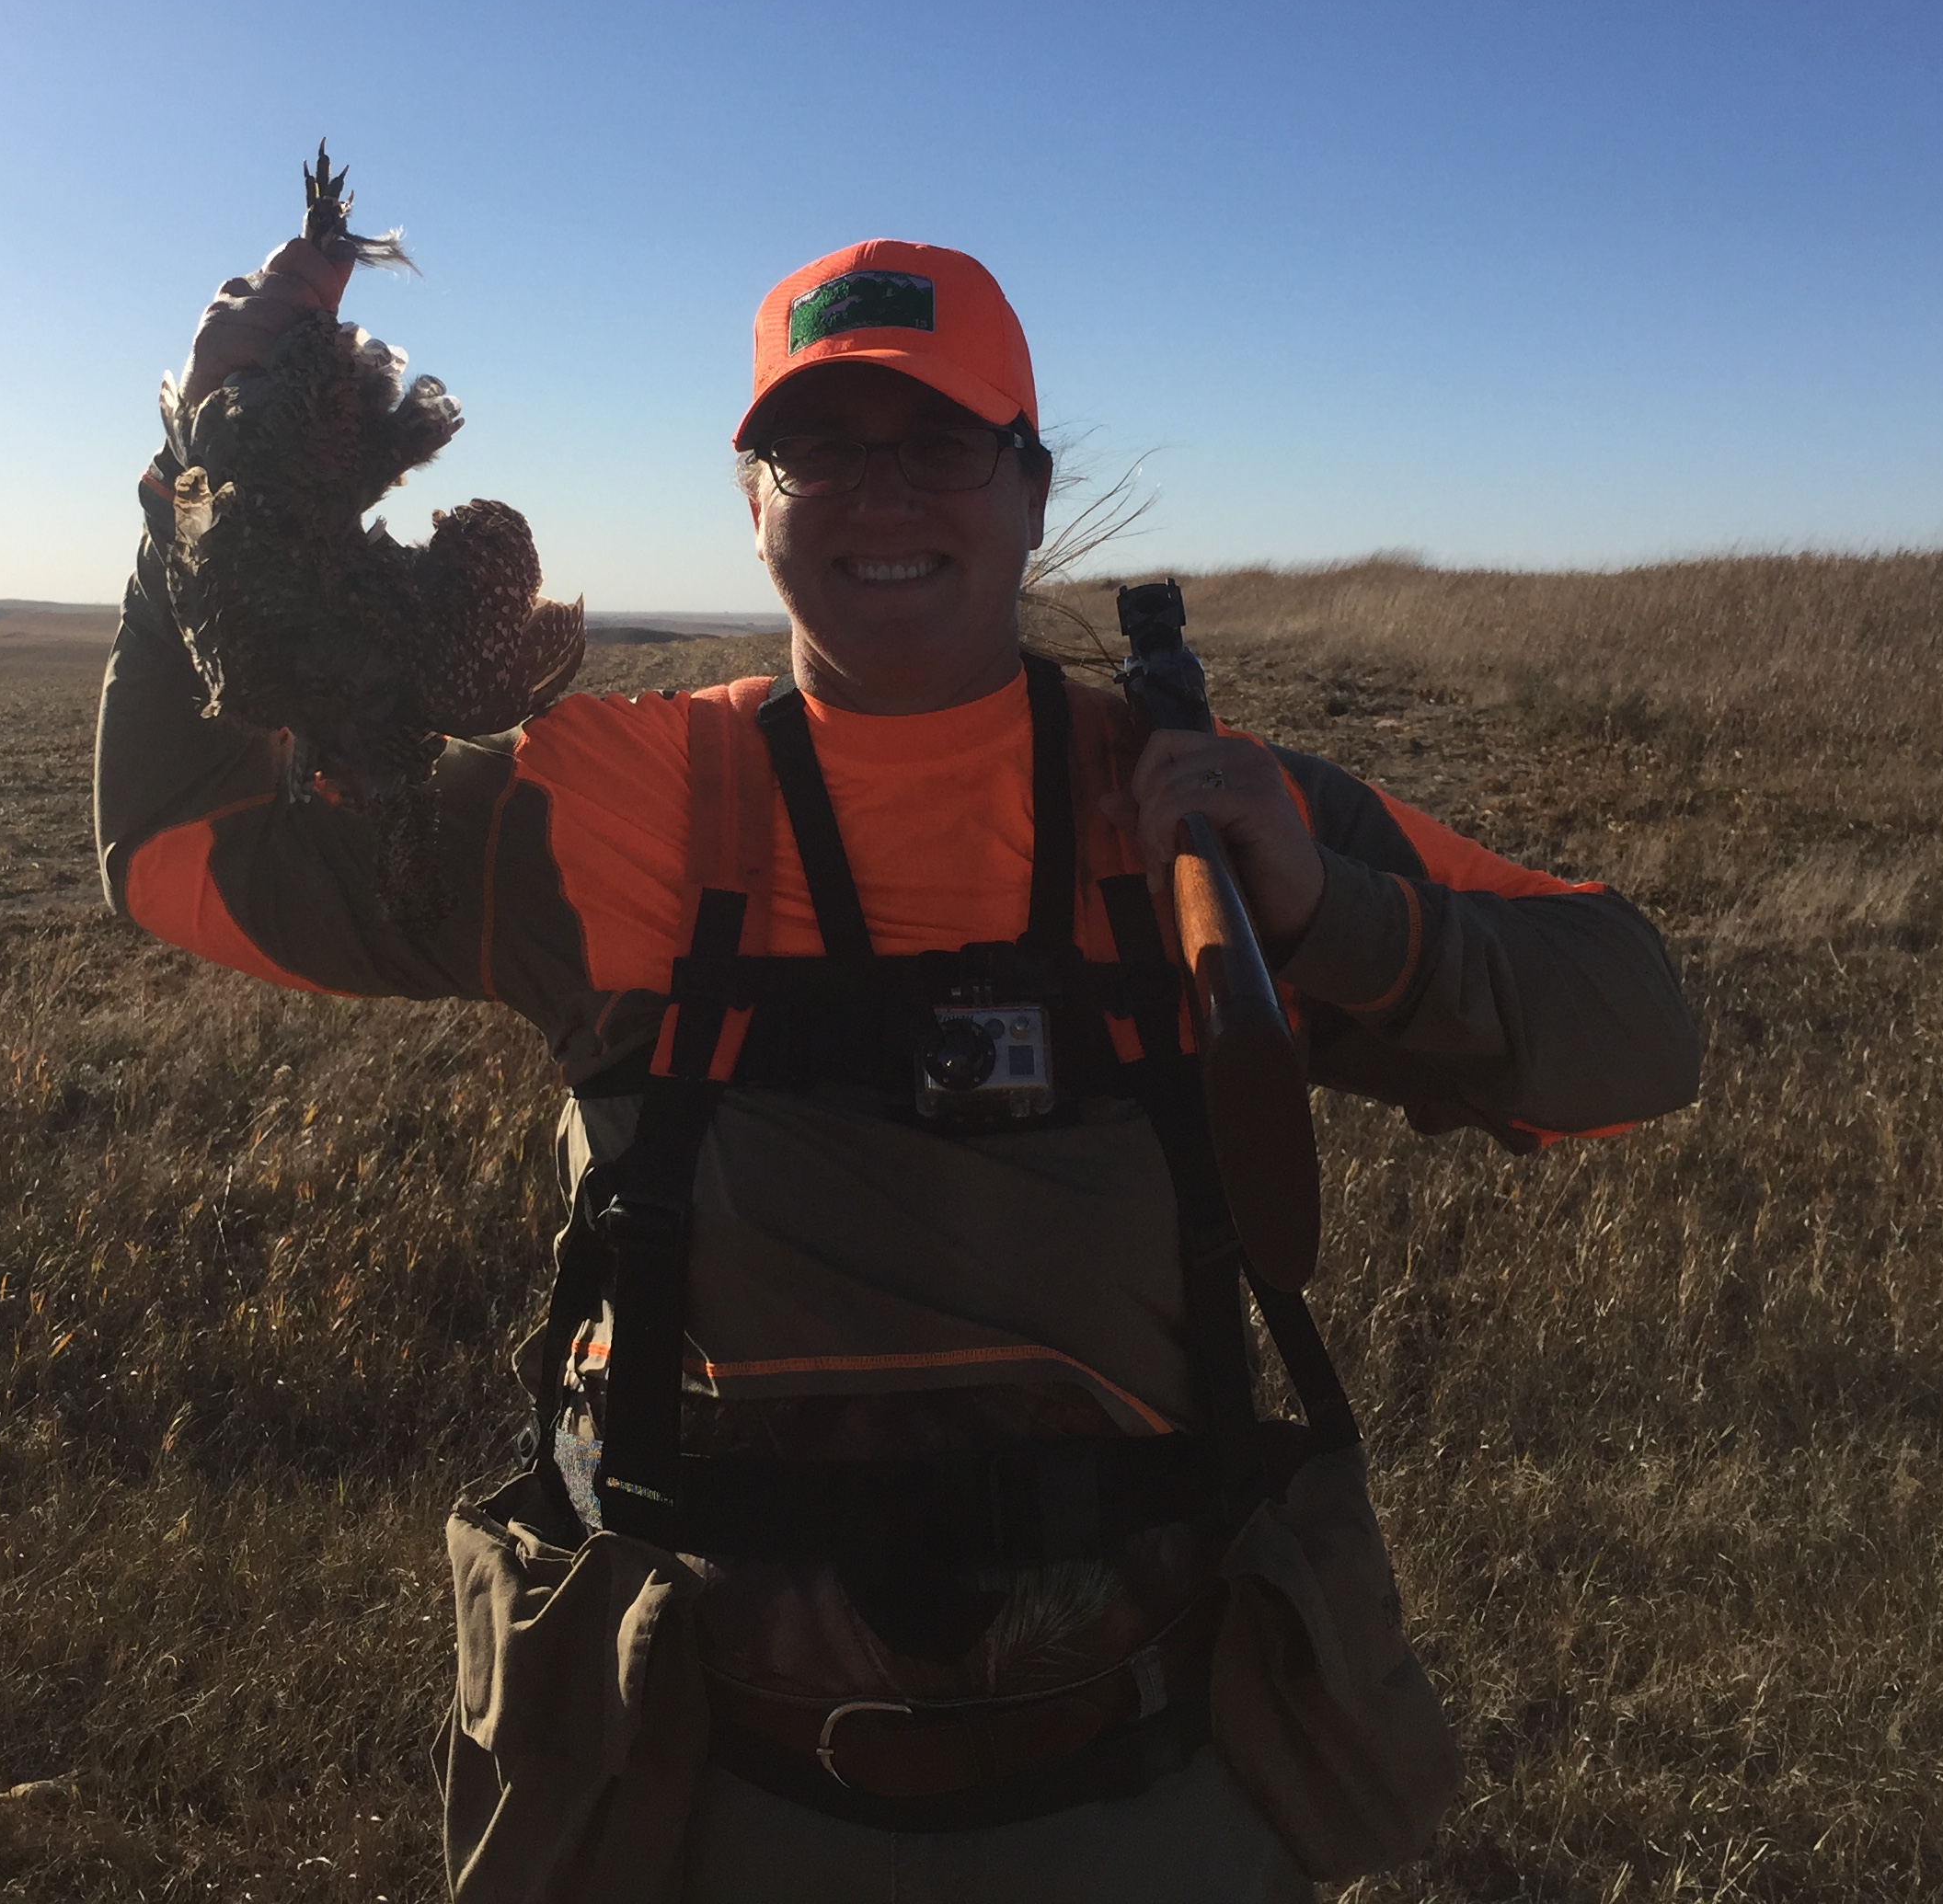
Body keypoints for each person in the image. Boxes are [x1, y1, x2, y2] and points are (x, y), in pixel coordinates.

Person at [95, 229, 1702, 1902]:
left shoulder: (1209, 822)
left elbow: (1638, 1032)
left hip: (1154, 1806)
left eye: (936, 444)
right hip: (706, 1814)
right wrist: (214, 447)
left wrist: (1334, 916)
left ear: (1027, 487)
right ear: (752, 498)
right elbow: (173, 849)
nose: (879, 497)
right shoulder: (609, 805)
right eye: (818, 449)